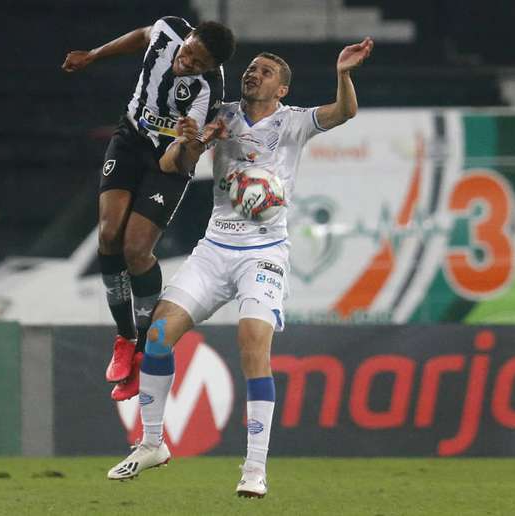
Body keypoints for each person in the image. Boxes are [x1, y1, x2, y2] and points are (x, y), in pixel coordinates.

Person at [106, 37, 375, 497]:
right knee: (155, 335)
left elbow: (343, 113)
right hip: (214, 249)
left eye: (266, 71)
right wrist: (194, 143)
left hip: (264, 253)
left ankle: (254, 469)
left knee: (253, 346)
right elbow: (172, 162)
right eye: (251, 67)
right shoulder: (220, 115)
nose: (254, 73)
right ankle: (152, 442)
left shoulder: (292, 123)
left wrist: (344, 75)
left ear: (282, 89)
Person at [61, 17, 236, 401]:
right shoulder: (168, 30)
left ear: (210, 68)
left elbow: (181, 163)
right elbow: (141, 36)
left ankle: (142, 350)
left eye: (198, 62)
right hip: (131, 139)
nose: (187, 62)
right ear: (187, 37)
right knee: (108, 233)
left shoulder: (208, 89)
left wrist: (192, 141)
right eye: (189, 52)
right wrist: (94, 55)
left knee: (136, 250)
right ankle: (125, 337)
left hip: (169, 160)